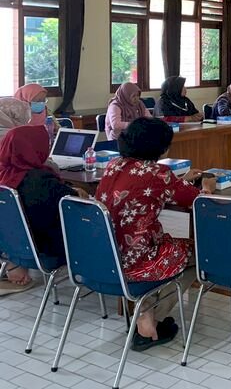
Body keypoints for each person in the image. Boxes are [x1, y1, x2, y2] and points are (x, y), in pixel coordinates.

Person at [96, 118, 215, 350]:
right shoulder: (159, 173)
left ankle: (145, 307)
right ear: (160, 148)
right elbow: (197, 201)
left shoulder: (113, 166)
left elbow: (147, 190)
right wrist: (207, 185)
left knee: (173, 249)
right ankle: (150, 315)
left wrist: (180, 181)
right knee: (202, 256)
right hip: (136, 260)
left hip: (105, 256)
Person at [0, 126, 86, 295]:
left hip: (12, 243)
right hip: (44, 248)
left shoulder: (5, 172)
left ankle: (15, 265)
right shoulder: (40, 180)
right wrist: (76, 192)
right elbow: (73, 200)